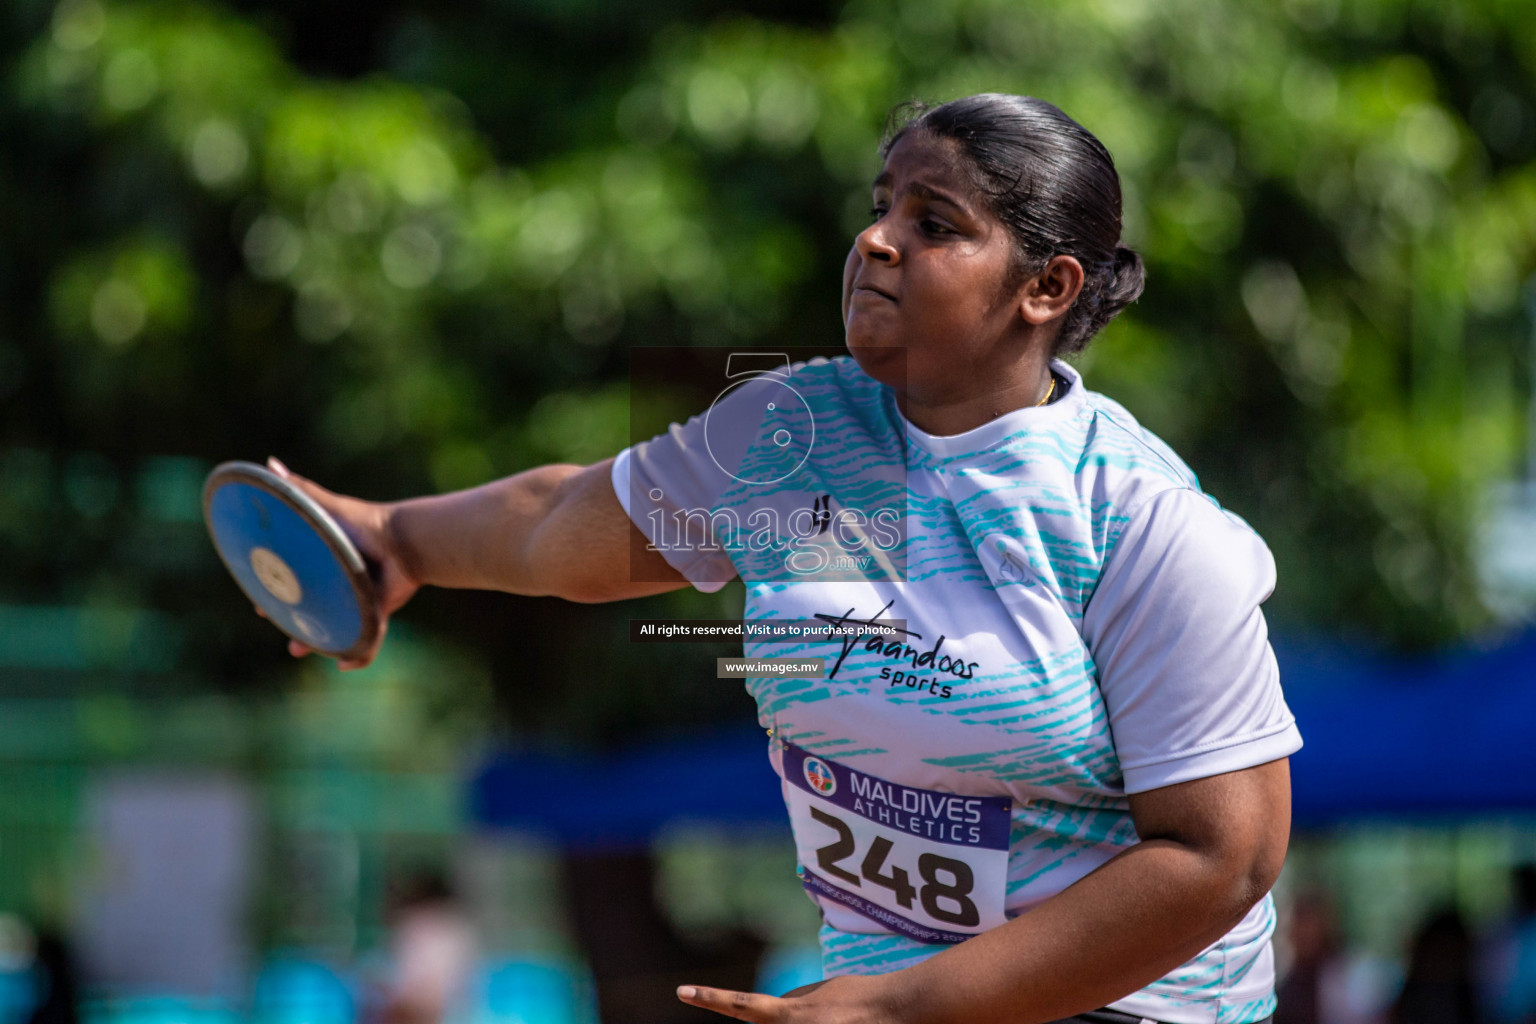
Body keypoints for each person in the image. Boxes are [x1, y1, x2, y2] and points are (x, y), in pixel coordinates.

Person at [266, 93, 1300, 1024]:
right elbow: (562, 525)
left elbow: (1224, 855)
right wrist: (392, 539)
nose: (875, 239)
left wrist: (903, 1004)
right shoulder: (789, 430)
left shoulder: (1140, 518)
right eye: (882, 205)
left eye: (932, 225)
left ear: (1046, 288)